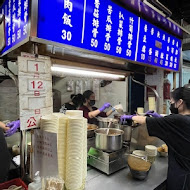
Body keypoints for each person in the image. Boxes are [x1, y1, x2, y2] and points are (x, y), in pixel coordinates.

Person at [120, 87, 190, 190]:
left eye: (171, 101)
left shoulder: (178, 120)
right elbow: (173, 125)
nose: (171, 103)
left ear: (180, 102)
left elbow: (145, 120)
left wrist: (130, 117)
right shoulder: (185, 120)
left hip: (182, 176)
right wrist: (160, 118)